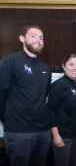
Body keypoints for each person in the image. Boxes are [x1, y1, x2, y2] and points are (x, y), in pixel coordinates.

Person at [0, 25, 52, 166]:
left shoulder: (45, 68)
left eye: (41, 37)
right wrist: (7, 120)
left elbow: (43, 97)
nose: (38, 40)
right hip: (19, 131)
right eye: (33, 36)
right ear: (22, 38)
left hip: (43, 131)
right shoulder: (10, 61)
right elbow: (1, 93)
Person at [48, 54, 76, 166]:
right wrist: (56, 136)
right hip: (64, 138)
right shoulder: (58, 85)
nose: (75, 68)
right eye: (71, 64)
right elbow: (50, 112)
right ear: (64, 66)